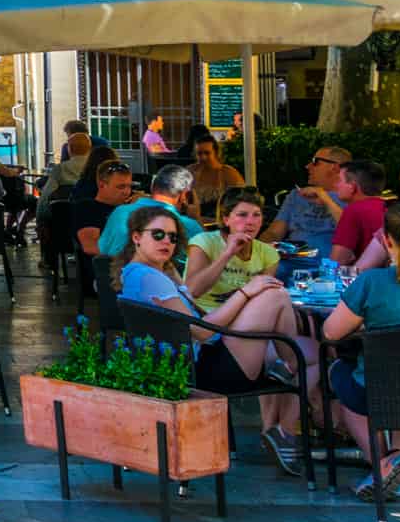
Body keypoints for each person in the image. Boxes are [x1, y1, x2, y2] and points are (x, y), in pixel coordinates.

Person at [116, 203, 311, 476]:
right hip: (207, 372)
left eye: (172, 237)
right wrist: (246, 292)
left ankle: (284, 423)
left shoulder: (140, 272)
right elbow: (202, 331)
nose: (167, 242)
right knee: (277, 300)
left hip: (195, 361)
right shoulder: (150, 278)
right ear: (137, 237)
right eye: (157, 235)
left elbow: (197, 317)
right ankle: (287, 398)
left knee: (310, 354)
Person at [322, 202, 400, 501]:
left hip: (380, 387)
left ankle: (381, 466)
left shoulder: (371, 282)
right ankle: (398, 458)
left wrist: (364, 328)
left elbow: (330, 333)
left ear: (386, 240)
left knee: (340, 372)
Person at [184, 188, 277, 311]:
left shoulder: (268, 253)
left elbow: (262, 300)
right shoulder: (204, 242)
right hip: (203, 316)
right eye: (242, 215)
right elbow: (193, 291)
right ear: (226, 219)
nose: (251, 222)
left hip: (245, 315)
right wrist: (227, 254)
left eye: (256, 215)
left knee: (280, 298)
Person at [100, 164, 198, 257]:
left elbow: (102, 251)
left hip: (119, 273)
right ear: (184, 195)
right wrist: (196, 218)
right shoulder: (189, 226)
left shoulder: (120, 212)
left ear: (152, 188)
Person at [264, 145, 351, 248]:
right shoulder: (296, 196)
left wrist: (325, 198)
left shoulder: (351, 198)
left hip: (327, 262)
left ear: (335, 168)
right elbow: (273, 233)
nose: (307, 166)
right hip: (291, 258)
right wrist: (258, 252)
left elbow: (350, 231)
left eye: (315, 162)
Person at [312, 160, 390, 267]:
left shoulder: (354, 210)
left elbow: (337, 261)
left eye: (339, 180)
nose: (335, 185)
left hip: (365, 280)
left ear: (352, 187)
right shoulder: (391, 208)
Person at [179, 136, 245, 226]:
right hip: (192, 221)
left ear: (216, 153)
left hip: (220, 223)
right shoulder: (190, 172)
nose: (203, 157)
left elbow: (242, 200)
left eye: (207, 153)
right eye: (199, 154)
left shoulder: (228, 173)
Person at [39, 133, 93, 208]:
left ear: (70, 149)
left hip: (63, 215)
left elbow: (45, 197)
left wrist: (41, 217)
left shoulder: (60, 169)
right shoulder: (97, 169)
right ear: (90, 149)